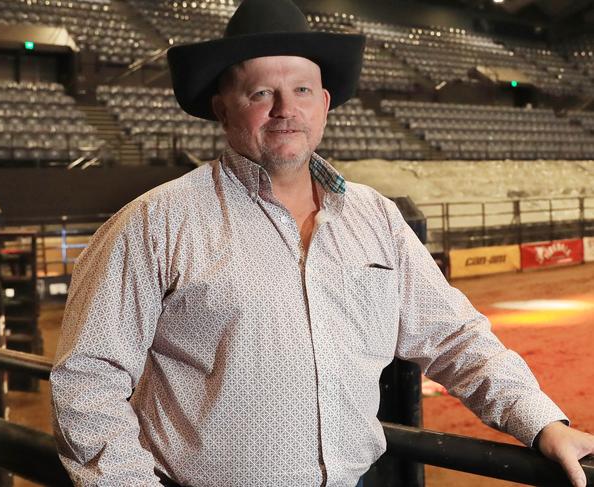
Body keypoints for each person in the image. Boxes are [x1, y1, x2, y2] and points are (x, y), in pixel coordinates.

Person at [50, 0, 594, 486]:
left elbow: (454, 336)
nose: (286, 108)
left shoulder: (375, 216)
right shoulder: (154, 222)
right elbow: (87, 380)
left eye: (302, 90)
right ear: (223, 107)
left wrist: (543, 421)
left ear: (325, 103)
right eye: (261, 92)